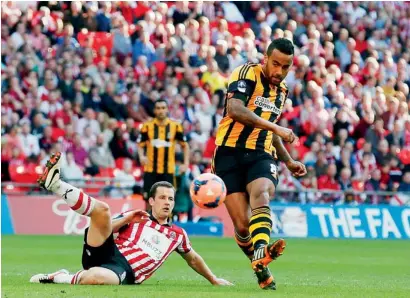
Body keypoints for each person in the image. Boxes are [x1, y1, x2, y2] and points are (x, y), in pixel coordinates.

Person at [30, 152, 232, 286]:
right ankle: (55, 184)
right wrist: (127, 218)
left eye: (170, 198)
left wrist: (214, 280)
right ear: (151, 200)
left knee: (97, 278)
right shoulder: (138, 217)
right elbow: (105, 228)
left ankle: (60, 277)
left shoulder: (177, 235)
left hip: (125, 269)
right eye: (162, 198)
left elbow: (194, 259)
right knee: (102, 210)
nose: (167, 202)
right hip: (106, 250)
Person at [212, 38, 307, 290]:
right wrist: (276, 126)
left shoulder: (282, 91)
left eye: (285, 67)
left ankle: (262, 248)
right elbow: (235, 109)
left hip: (260, 153)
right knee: (243, 228)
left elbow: (269, 128)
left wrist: (287, 160)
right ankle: (261, 266)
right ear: (266, 58)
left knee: (262, 193)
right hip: (228, 153)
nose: (279, 71)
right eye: (275, 64)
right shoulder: (246, 73)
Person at [137, 99, 190, 211]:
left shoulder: (175, 126)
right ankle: (148, 223)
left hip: (168, 170)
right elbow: (140, 144)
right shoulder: (147, 126)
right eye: (158, 108)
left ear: (167, 110)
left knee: (168, 199)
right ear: (154, 110)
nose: (161, 111)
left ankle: (166, 225)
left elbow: (185, 146)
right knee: (148, 199)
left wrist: (186, 164)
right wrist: (141, 156)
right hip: (151, 169)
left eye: (163, 108)